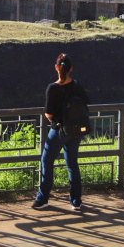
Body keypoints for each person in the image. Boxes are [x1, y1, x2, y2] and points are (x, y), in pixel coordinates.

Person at [32, 53, 89, 211]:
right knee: (72, 164)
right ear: (71, 69)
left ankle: (43, 198)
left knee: (46, 161)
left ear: (56, 67)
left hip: (59, 130)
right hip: (76, 131)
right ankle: (76, 201)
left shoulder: (53, 88)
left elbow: (49, 114)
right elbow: (86, 106)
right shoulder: (77, 86)